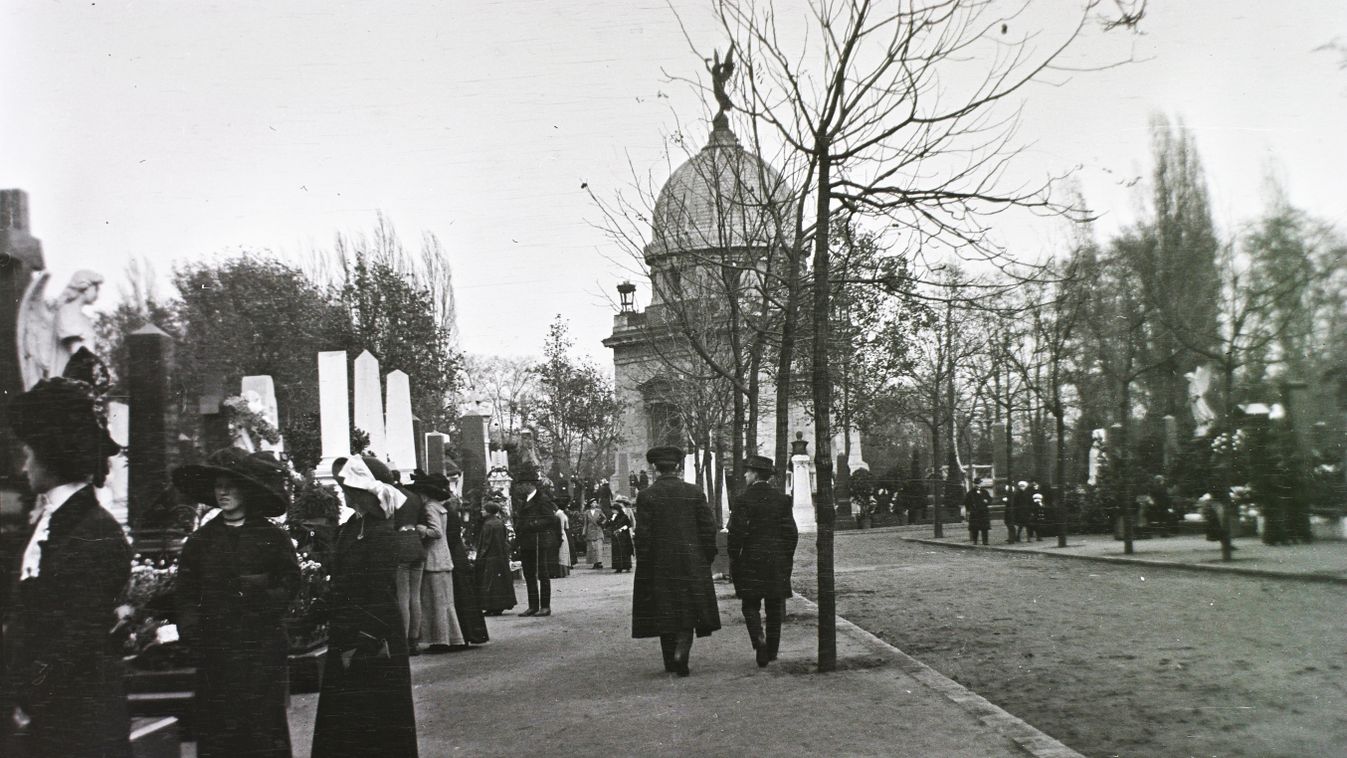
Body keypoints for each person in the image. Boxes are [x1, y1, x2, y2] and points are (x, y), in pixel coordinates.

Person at [1, 378, 131, 757]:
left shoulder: (95, 531)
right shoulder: (49, 523)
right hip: (50, 716)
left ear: (51, 455)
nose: (24, 465)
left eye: (29, 453)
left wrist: (27, 696)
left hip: (79, 722)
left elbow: (76, 638)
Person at [172, 447, 300, 758]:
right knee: (220, 729)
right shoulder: (201, 541)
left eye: (230, 486)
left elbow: (290, 583)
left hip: (261, 650)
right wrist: (191, 630)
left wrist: (261, 595)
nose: (224, 492)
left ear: (246, 490)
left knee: (261, 728)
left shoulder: (271, 536)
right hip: (216, 652)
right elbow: (185, 592)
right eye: (218, 486)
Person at [312, 456, 418, 757]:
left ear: (362, 490)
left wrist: (361, 637)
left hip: (371, 633)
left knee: (373, 716)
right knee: (350, 717)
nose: (343, 491)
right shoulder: (354, 526)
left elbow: (378, 589)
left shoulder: (380, 531)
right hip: (351, 627)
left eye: (347, 486)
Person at [631, 446, 721, 677]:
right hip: (692, 562)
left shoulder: (646, 496)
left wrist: (645, 562)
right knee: (689, 610)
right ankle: (682, 652)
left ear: (655, 467)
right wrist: (706, 557)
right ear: (678, 466)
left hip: (659, 564)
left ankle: (670, 661)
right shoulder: (694, 492)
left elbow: (643, 535)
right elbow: (708, 528)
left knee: (665, 609)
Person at [727, 455, 798, 668]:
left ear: (756, 474)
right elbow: (791, 533)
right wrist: (786, 556)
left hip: (750, 561)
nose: (745, 475)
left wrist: (734, 557)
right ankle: (772, 651)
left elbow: (735, 534)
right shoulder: (782, 500)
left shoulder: (742, 500)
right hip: (776, 562)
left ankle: (759, 641)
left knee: (750, 605)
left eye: (748, 471)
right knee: (774, 607)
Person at [407, 471, 464, 652]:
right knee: (445, 602)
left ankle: (441, 640)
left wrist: (421, 529)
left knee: (435, 602)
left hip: (433, 559)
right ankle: (452, 638)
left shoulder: (429, 507)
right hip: (443, 558)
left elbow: (436, 532)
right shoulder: (439, 506)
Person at [513, 465, 561, 617]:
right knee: (529, 574)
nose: (520, 487)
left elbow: (551, 519)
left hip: (539, 541)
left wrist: (533, 524)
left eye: (522, 484)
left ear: (529, 484)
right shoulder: (524, 500)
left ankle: (545, 606)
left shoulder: (542, 499)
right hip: (526, 542)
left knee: (542, 574)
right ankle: (533, 606)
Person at [475, 499, 517, 615]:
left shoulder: (488, 524)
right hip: (500, 556)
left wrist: (480, 557)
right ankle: (499, 606)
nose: (482, 512)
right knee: (500, 582)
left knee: (490, 582)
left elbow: (486, 543)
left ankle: (492, 606)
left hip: (490, 557)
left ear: (489, 512)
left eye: (484, 510)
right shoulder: (499, 522)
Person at [609, 497, 635, 573]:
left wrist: (622, 529)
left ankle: (627, 566)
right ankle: (618, 567)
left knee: (625, 550)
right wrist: (611, 519)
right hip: (616, 536)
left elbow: (629, 524)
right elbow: (609, 525)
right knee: (616, 551)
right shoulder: (614, 516)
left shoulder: (625, 514)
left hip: (624, 535)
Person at [964, 478, 992, 546]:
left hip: (983, 512)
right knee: (975, 528)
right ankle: (975, 541)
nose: (978, 485)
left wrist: (987, 501)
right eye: (976, 483)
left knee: (984, 528)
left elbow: (990, 499)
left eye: (979, 483)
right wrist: (970, 509)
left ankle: (985, 541)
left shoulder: (985, 491)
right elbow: (966, 502)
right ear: (974, 484)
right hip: (975, 512)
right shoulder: (970, 493)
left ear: (981, 484)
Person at [583, 499, 608, 569]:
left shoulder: (599, 511)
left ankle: (599, 562)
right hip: (590, 531)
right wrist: (584, 532)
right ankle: (595, 563)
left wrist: (601, 523)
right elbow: (585, 523)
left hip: (598, 530)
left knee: (599, 547)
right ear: (590, 504)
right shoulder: (587, 512)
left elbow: (605, 518)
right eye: (593, 502)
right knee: (592, 547)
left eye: (596, 502)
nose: (595, 504)